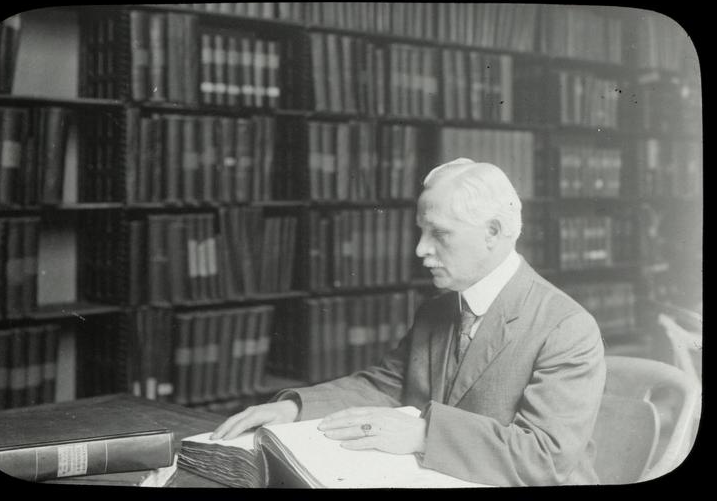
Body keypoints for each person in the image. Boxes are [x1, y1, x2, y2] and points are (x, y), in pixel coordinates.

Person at [211, 158, 606, 486]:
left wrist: (423, 434)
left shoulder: (565, 327)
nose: (421, 249)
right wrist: (295, 409)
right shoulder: (438, 309)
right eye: (421, 232)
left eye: (439, 234)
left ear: (494, 232)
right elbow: (389, 385)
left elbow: (544, 459)